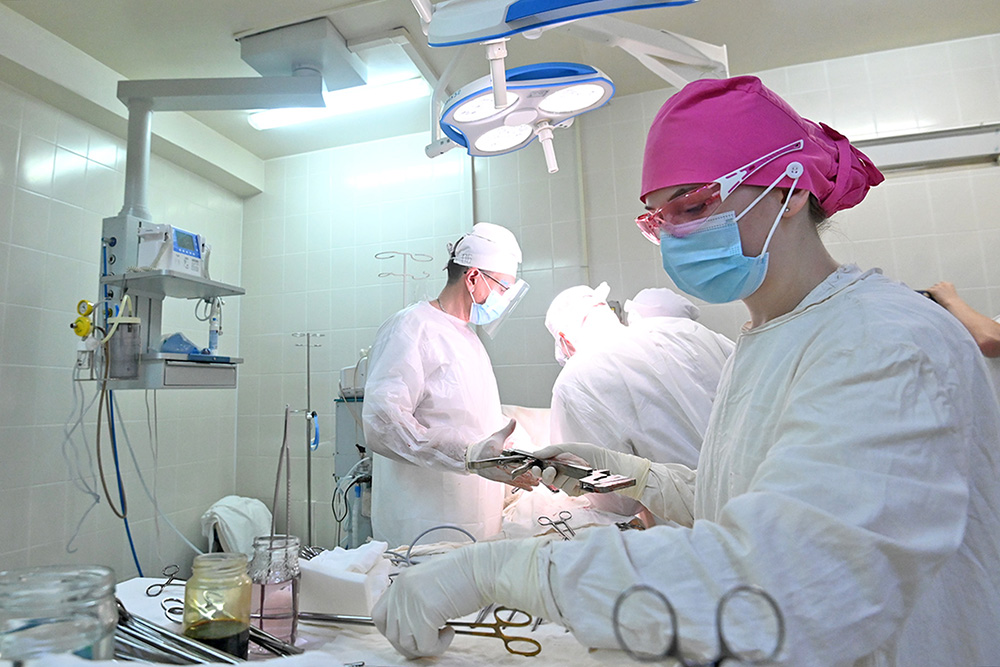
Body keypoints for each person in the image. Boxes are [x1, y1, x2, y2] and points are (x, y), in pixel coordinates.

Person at [371, 76, 1000, 665]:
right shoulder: (768, 338)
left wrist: (497, 572)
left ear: (792, 188)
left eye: (693, 205)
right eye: (658, 219)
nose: (674, 237)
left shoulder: (885, 340)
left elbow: (781, 588)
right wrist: (633, 475)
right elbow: (742, 500)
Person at [361, 222, 531, 548]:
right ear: (473, 277)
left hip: (476, 519)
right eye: (503, 288)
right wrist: (466, 455)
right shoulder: (412, 328)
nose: (504, 299)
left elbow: (475, 420)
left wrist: (522, 455)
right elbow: (383, 423)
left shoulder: (469, 339)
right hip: (421, 525)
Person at [545, 282, 733, 469]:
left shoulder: (575, 380)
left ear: (564, 341)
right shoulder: (686, 329)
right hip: (746, 478)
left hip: (681, 489)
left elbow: (596, 477)